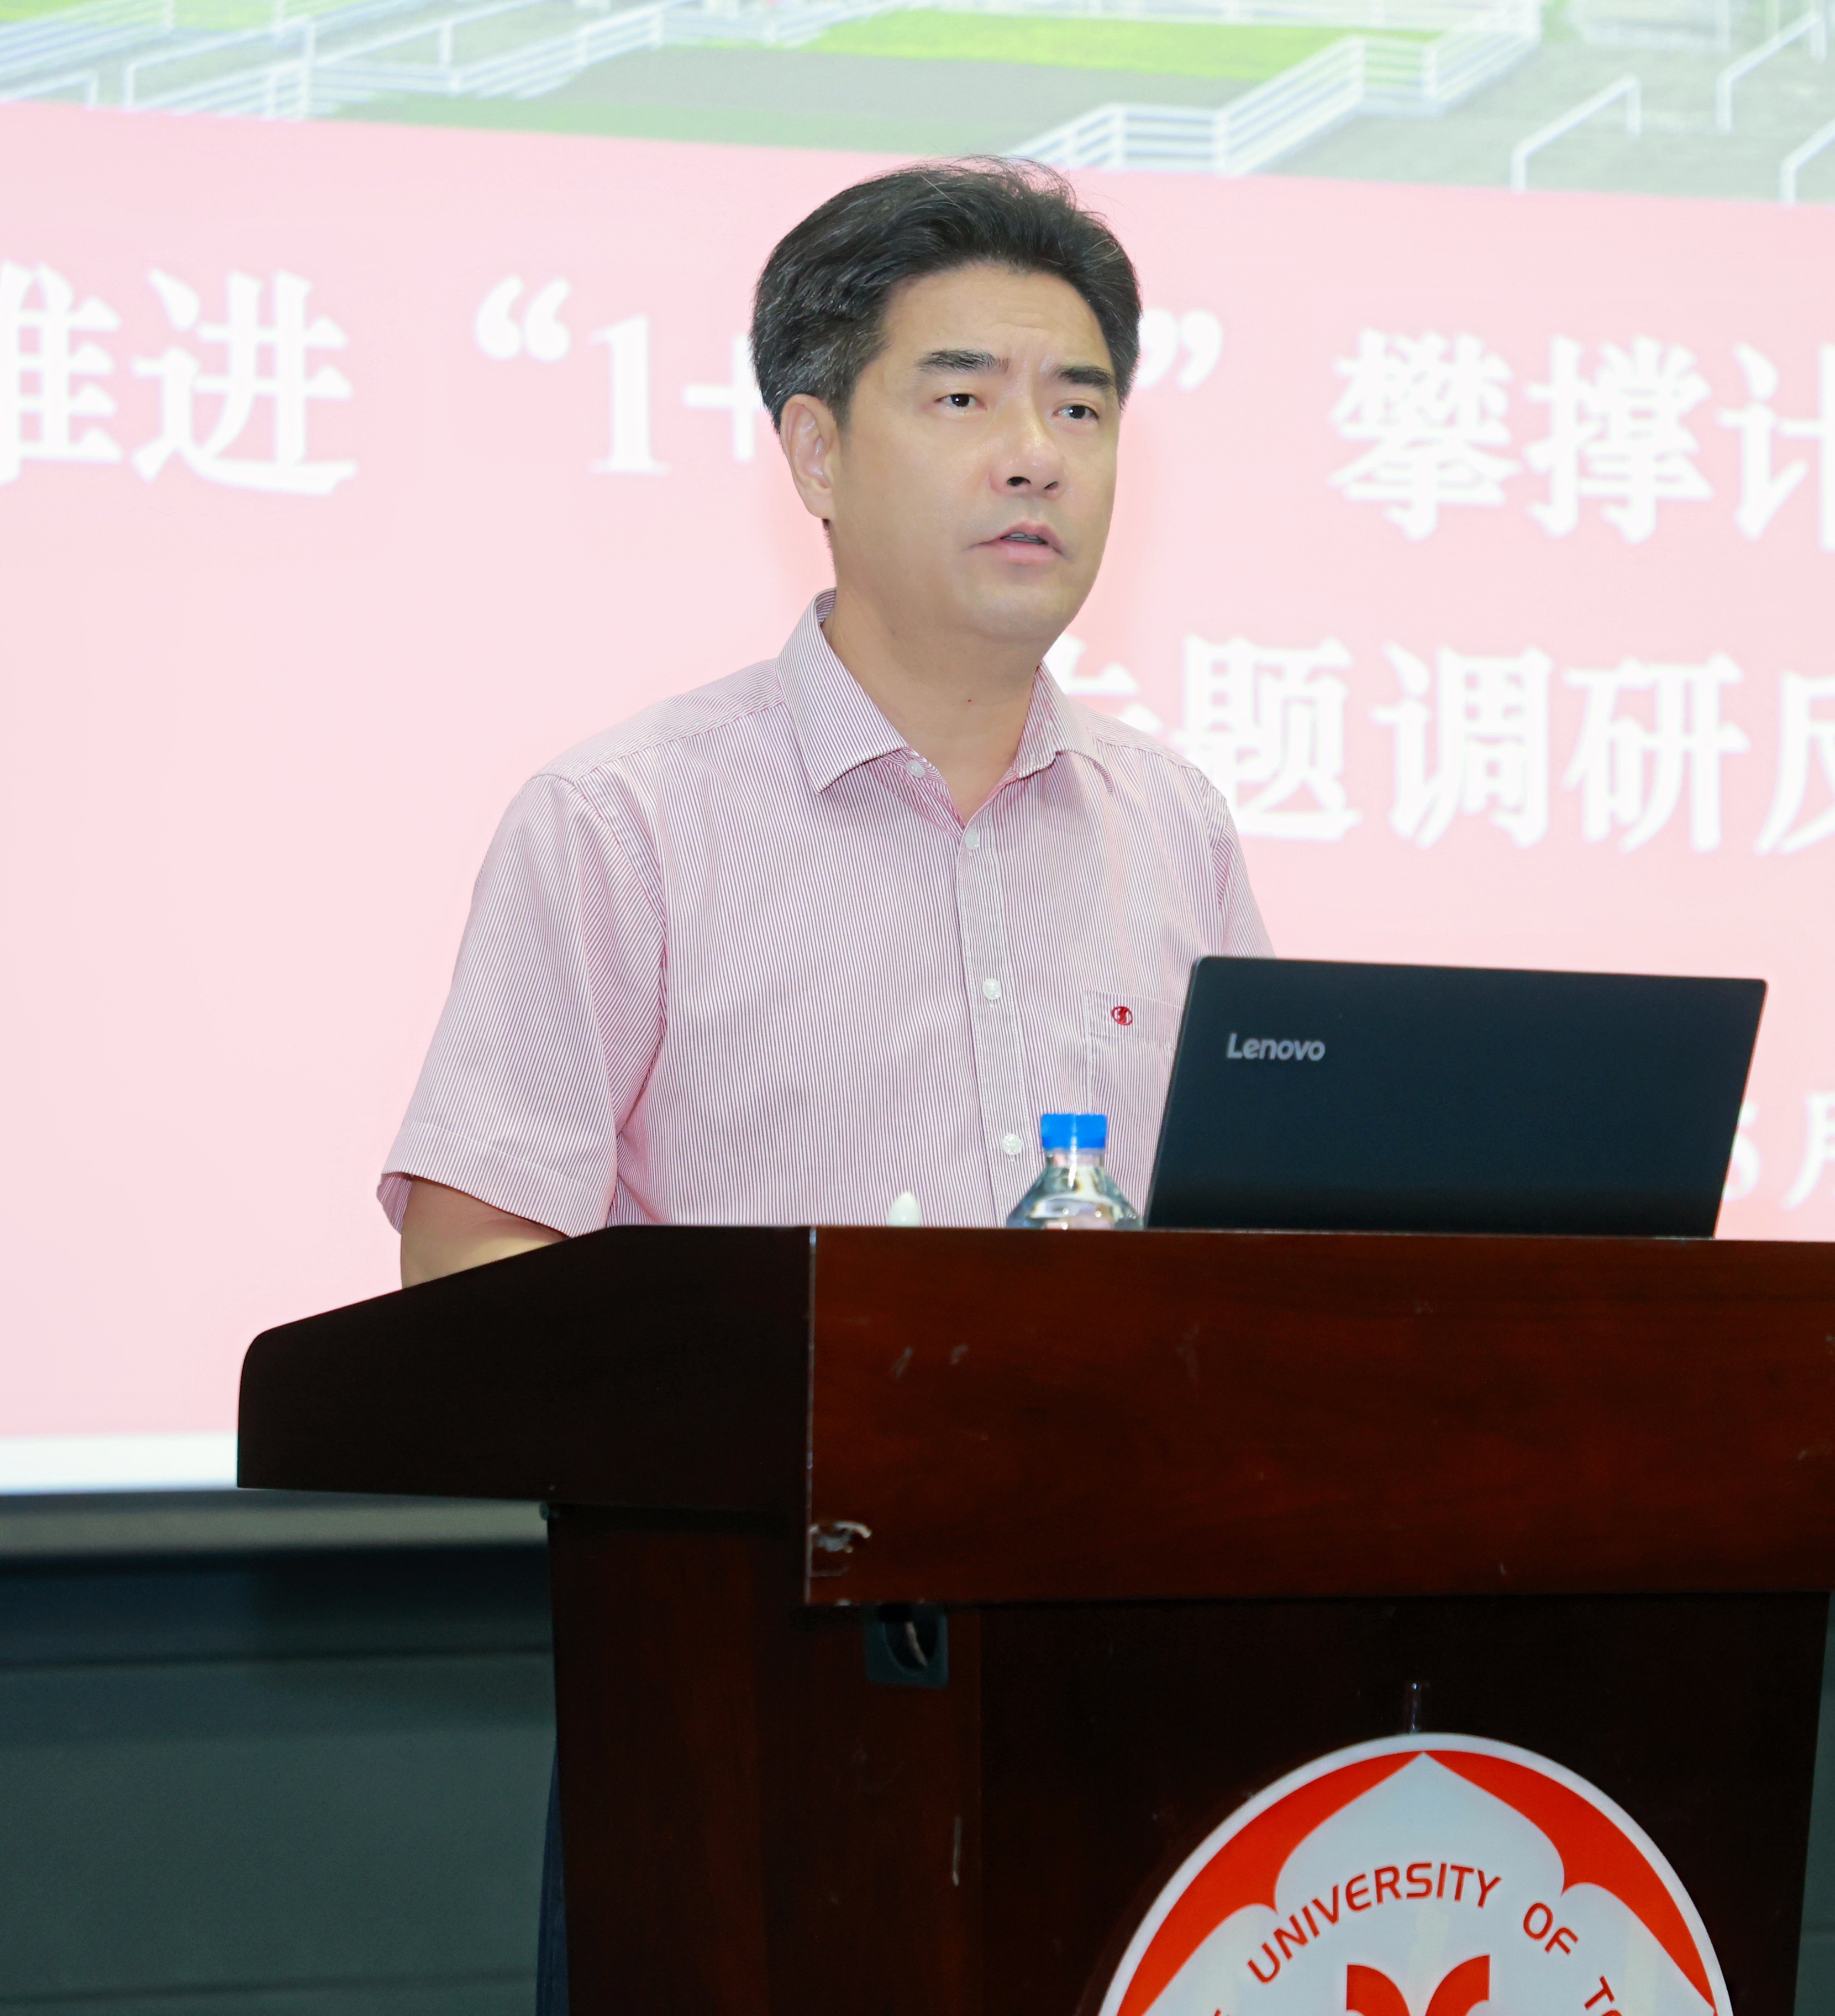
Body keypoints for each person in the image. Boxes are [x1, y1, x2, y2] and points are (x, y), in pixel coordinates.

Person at [373, 161, 1272, 2009]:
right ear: (815, 448)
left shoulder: (1173, 827)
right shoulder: (623, 822)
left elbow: (1252, 1246)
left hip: (1141, 1710)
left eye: (1081, 407)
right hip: (745, 1719)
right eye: (964, 395)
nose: (1034, 456)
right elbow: (468, 1270)